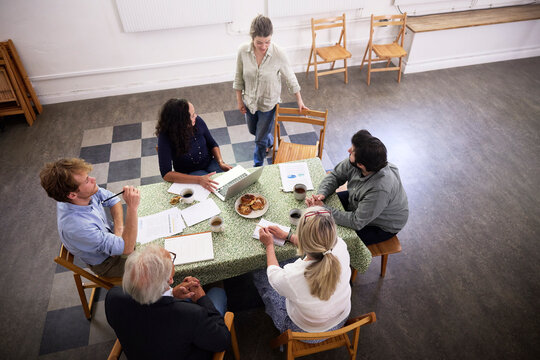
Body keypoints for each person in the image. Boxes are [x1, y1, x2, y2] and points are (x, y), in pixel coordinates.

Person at [105, 244, 230, 360]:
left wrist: (172, 293)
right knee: (217, 293)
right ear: (170, 279)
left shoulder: (113, 297)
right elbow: (223, 340)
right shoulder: (193, 315)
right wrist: (201, 298)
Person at [253, 207, 351, 337]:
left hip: (308, 333)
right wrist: (288, 236)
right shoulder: (341, 245)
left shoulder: (293, 276)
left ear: (303, 238)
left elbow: (272, 273)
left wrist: (269, 245)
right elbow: (319, 244)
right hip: (341, 319)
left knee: (260, 273)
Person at [306, 130, 409, 245]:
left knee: (331, 240)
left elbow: (356, 222)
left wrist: (324, 210)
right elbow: (335, 176)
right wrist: (322, 194)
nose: (349, 150)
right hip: (359, 199)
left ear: (361, 165)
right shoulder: (362, 161)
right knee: (326, 208)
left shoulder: (380, 189)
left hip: (381, 225)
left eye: (352, 151)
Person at [40, 158, 140, 277]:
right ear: (72, 195)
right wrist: (132, 208)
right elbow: (127, 249)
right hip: (108, 263)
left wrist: (118, 231)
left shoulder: (80, 194)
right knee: (159, 262)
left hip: (113, 239)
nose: (94, 180)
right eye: (87, 180)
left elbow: (113, 199)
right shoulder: (78, 227)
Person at [233, 15, 309, 167]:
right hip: (250, 102)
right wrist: (239, 100)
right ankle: (269, 141)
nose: (263, 46)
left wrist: (299, 100)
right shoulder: (243, 51)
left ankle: (258, 166)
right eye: (259, 42)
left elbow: (290, 78)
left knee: (259, 140)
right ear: (252, 38)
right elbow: (238, 77)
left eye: (267, 41)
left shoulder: (278, 53)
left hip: (269, 104)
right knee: (253, 130)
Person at [156, 98, 232, 192]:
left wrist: (221, 162)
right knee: (213, 191)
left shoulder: (197, 121)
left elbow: (212, 144)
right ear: (180, 121)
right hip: (189, 173)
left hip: (210, 163)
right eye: (192, 115)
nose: (196, 116)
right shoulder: (165, 136)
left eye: (194, 113)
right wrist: (199, 180)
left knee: (230, 183)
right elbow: (166, 174)